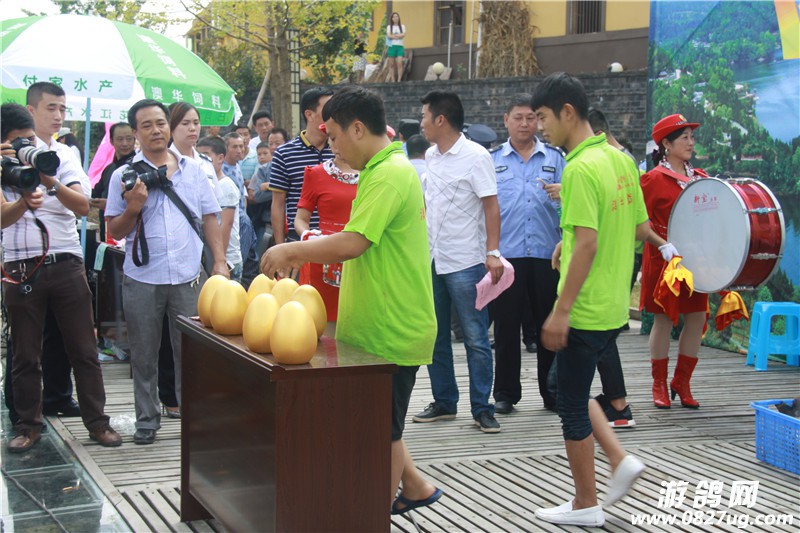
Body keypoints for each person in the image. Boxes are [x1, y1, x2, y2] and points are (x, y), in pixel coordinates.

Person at [261, 86, 441, 515]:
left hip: (393, 326)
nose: (332, 148)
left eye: (335, 136)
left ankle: (371, 516)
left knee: (381, 432)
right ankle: (415, 487)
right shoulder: (382, 169)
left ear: (358, 129)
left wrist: (292, 250)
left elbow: (354, 242)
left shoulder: (388, 174)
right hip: (376, 322)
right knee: (382, 424)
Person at [533, 73, 671, 526]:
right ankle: (617, 459)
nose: (540, 127)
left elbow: (590, 243)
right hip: (612, 305)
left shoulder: (577, 168)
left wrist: (561, 310)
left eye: (544, 117)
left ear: (568, 112)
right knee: (566, 387)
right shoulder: (620, 159)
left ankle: (587, 502)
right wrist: (566, 241)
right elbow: (635, 228)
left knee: (569, 402)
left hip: (585, 306)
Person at [2, 85, 122, 452]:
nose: (58, 115)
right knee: (25, 354)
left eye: (62, 109)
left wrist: (48, 178)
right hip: (20, 265)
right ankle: (27, 425)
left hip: (66, 261)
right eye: (51, 107)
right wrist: (24, 197)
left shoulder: (61, 155)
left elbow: (82, 206)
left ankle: (98, 423)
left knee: (84, 349)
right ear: (31, 110)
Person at [106, 99, 228, 445]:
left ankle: (193, 419)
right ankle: (147, 420)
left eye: (160, 123)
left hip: (188, 276)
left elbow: (210, 218)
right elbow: (114, 229)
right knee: (144, 354)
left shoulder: (195, 170)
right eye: (146, 125)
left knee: (190, 354)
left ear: (168, 126)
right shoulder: (122, 176)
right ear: (136, 132)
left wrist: (219, 262)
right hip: (142, 279)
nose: (156, 130)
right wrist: (133, 207)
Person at [412, 90, 503, 434]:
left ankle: (482, 408)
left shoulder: (477, 156)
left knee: (476, 337)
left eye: (424, 116)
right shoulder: (430, 156)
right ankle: (445, 402)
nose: (421, 123)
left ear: (441, 119)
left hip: (466, 260)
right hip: (432, 259)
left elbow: (491, 206)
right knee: (434, 335)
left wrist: (493, 252)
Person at [490, 93, 564, 415]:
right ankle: (506, 393)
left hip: (548, 255)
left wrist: (563, 195)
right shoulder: (492, 160)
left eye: (531, 117)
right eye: (518, 117)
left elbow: (573, 203)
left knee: (548, 324)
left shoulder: (555, 158)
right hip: (507, 256)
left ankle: (552, 392)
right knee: (506, 328)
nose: (525, 123)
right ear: (506, 120)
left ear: (538, 121)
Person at [641, 113, 709, 410]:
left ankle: (682, 382)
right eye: (684, 138)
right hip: (664, 260)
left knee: (697, 317)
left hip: (694, 261)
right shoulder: (653, 179)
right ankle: (659, 384)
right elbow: (639, 223)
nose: (691, 143)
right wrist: (663, 245)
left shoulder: (701, 178)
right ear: (666, 144)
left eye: (692, 137)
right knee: (664, 319)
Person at [294, 151, 359, 321]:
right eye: (333, 138)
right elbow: (300, 219)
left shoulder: (373, 174)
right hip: (325, 259)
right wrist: (309, 236)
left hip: (361, 256)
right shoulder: (316, 173)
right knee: (322, 318)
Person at [269, 87, 334, 244]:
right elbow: (278, 204)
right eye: (328, 109)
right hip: (299, 240)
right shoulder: (284, 154)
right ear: (309, 114)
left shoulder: (342, 150)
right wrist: (281, 246)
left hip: (336, 239)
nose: (334, 114)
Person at [198, 136, 243, 282]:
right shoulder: (206, 184)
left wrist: (220, 261)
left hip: (228, 260)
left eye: (206, 156)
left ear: (220, 158)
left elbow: (226, 225)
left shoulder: (226, 186)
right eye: (198, 156)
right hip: (211, 256)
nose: (201, 161)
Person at [222, 131, 259, 288]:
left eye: (241, 146)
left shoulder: (237, 166)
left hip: (244, 220)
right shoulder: (221, 170)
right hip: (233, 225)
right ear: (225, 149)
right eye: (234, 147)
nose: (239, 150)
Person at [92, 122, 136, 243]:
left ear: (134, 139)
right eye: (120, 139)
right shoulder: (109, 169)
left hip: (127, 235)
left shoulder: (138, 167)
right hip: (106, 231)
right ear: (111, 141)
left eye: (129, 139)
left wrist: (110, 205)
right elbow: (95, 193)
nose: (125, 144)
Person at [248, 128, 289, 252]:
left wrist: (270, 186)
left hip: (291, 222)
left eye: (277, 143)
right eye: (271, 144)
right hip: (268, 223)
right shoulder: (263, 170)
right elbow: (258, 196)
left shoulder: (293, 166)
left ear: (286, 143)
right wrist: (283, 189)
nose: (274, 147)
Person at [386, 12, 406, 83]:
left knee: (399, 63)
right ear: (392, 19)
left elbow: (403, 35)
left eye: (396, 16)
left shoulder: (402, 26)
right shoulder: (389, 27)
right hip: (391, 46)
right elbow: (389, 36)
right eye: (394, 17)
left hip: (400, 46)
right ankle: (393, 80)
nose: (395, 18)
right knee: (391, 64)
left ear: (399, 18)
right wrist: (398, 36)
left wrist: (393, 36)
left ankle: (399, 79)